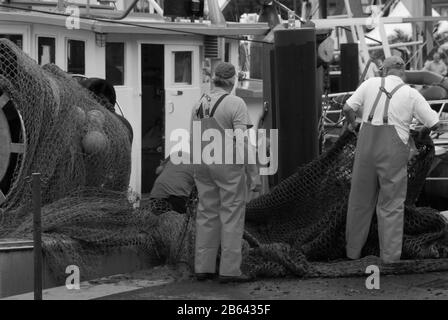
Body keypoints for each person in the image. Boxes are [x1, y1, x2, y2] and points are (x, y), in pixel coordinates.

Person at [343, 56, 439, 264]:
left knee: (359, 202)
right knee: (391, 205)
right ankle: (390, 259)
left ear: (384, 71)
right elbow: (434, 123)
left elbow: (348, 108)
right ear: (403, 73)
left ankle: (352, 253)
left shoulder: (369, 83)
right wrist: (422, 131)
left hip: (366, 149)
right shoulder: (411, 94)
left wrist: (352, 125)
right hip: (393, 154)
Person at [191, 62, 261, 283]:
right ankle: (230, 271)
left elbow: (194, 137)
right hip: (226, 165)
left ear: (214, 79)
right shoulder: (235, 103)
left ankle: (203, 267)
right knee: (231, 215)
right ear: (232, 81)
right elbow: (242, 142)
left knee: (206, 213)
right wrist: (253, 173)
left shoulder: (198, 103)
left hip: (202, 162)